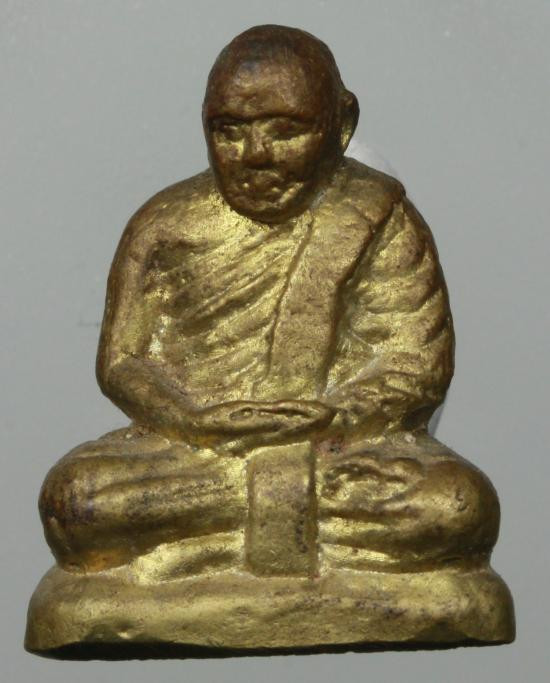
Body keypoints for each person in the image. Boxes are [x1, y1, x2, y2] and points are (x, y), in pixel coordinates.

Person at [38, 25, 499, 580]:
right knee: (77, 502)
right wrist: (194, 419)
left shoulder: (375, 216)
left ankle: (204, 550)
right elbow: (122, 362)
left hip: (340, 453)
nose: (256, 155)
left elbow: (416, 364)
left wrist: (336, 415)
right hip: (195, 454)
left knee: (457, 505)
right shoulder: (162, 226)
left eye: (286, 131)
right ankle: (251, 541)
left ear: (342, 125)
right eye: (230, 131)